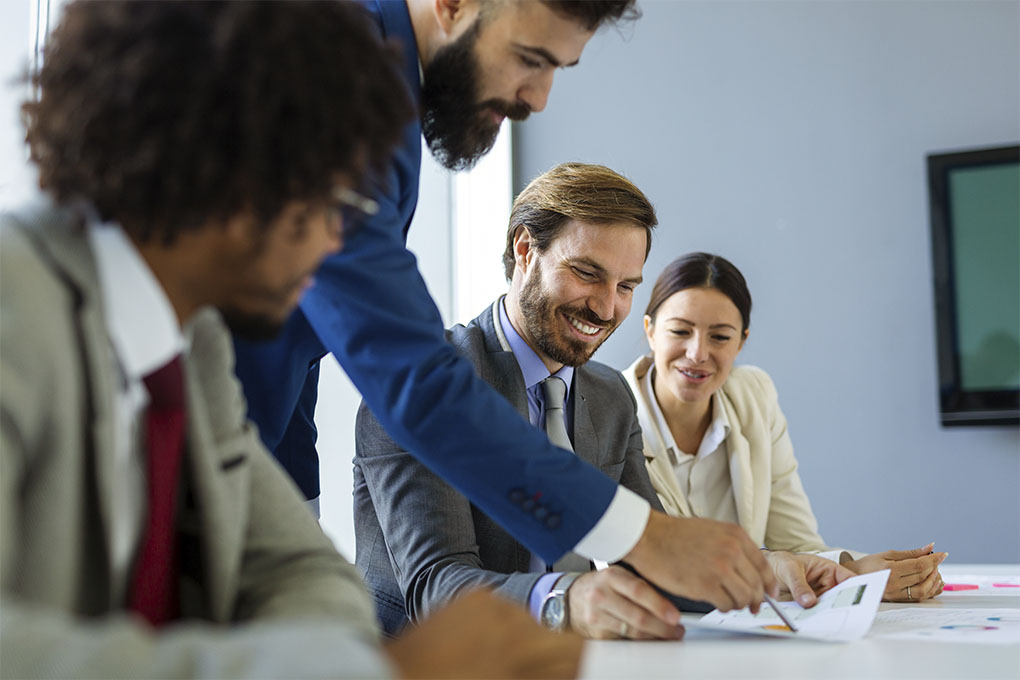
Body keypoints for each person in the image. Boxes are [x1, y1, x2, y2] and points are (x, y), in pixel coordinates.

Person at [0, 3, 583, 678]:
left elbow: (301, 570)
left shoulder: (196, 357)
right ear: (222, 160)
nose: (337, 243)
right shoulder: (17, 306)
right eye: (330, 202)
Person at [234, 0, 780, 614]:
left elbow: (296, 326)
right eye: (529, 59)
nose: (539, 98)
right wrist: (641, 536)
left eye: (558, 68)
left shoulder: (385, 93)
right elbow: (408, 373)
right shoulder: (337, 65)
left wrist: (282, 526)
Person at [354, 164, 854, 640]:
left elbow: (654, 558)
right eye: (587, 273)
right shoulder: (424, 382)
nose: (606, 306)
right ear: (525, 249)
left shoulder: (610, 394)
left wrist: (767, 568)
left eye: (626, 286)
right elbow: (435, 587)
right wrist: (564, 602)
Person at [625, 252, 947, 603]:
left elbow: (796, 544)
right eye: (680, 331)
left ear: (741, 342)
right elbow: (663, 561)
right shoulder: (611, 413)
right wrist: (852, 577)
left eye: (719, 337)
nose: (697, 353)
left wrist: (856, 571)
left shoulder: (754, 395)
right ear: (650, 330)